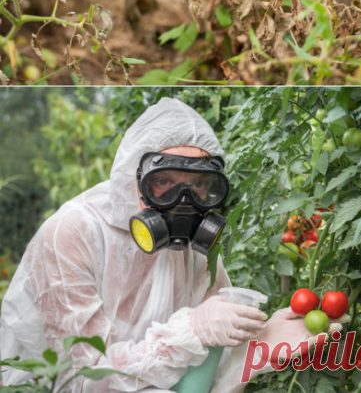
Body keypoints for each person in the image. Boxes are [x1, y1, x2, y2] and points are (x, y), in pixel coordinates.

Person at [0, 98, 343, 393]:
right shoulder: (73, 233)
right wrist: (191, 330)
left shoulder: (196, 252)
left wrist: (256, 350)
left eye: (198, 186)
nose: (183, 202)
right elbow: (81, 379)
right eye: (162, 182)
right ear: (132, 179)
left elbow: (199, 373)